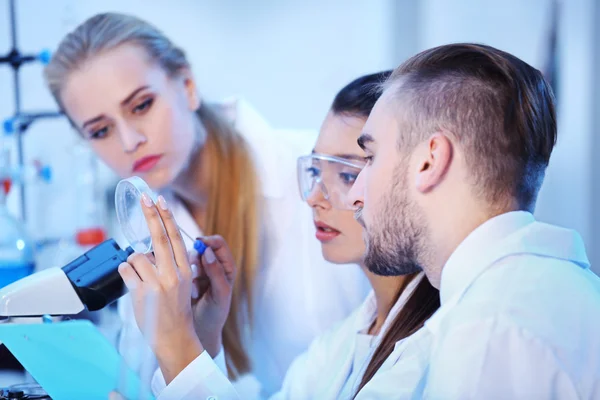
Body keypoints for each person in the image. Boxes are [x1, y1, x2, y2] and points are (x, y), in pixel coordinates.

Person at [43, 12, 369, 397]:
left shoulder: (324, 176)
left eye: (142, 105)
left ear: (188, 85)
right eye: (101, 131)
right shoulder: (141, 230)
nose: (129, 141)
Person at [117, 71, 439, 399]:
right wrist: (204, 336)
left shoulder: (432, 352)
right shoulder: (333, 350)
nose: (314, 196)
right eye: (315, 170)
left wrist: (179, 350)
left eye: (345, 173)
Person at [345, 43, 600, 398]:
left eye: (370, 157)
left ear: (429, 161)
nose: (353, 194)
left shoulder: (490, 331)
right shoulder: (546, 292)